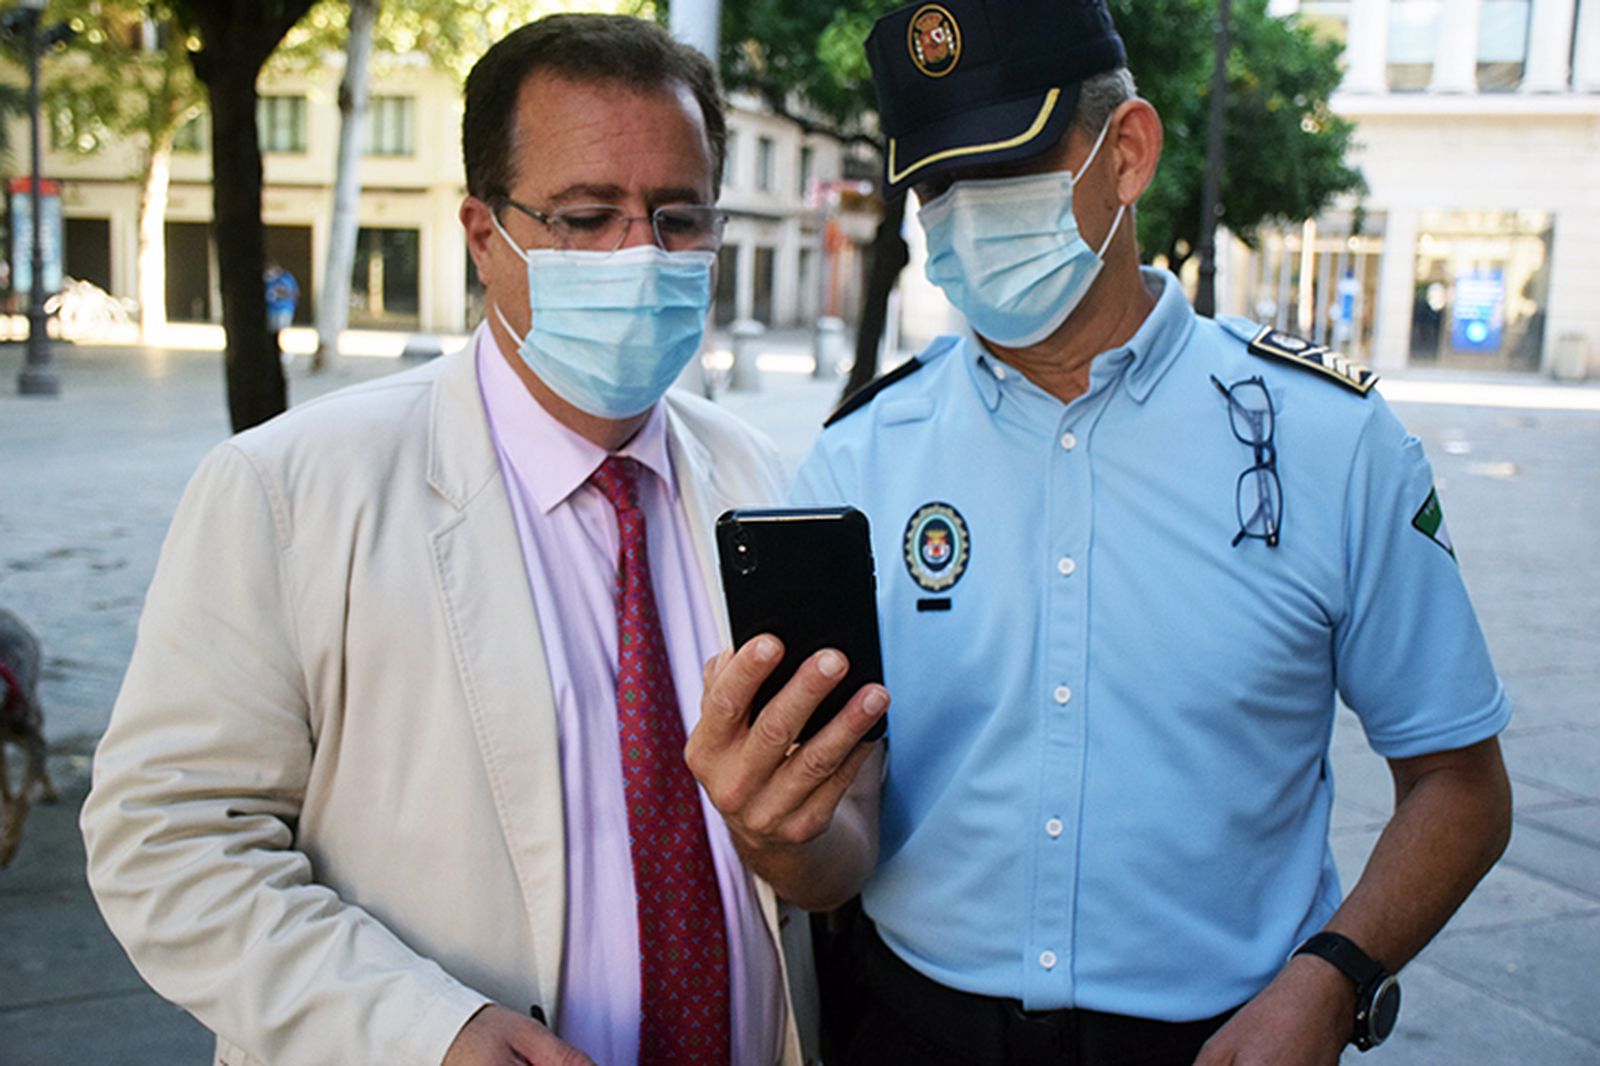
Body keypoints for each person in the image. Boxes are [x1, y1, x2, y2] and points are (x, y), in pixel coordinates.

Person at [713, 1, 1514, 1063]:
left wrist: (1335, 978)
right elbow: (844, 848)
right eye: (935, 185)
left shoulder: (1331, 442)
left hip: (1225, 1037)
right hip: (910, 1026)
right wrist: (783, 840)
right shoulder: (861, 458)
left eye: (1001, 168)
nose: (960, 216)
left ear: (1127, 152)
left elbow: (1459, 781)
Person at [80, 15, 861, 1066]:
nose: (641, 255)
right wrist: (420, 1031)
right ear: (484, 235)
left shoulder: (772, 486)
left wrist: (796, 839)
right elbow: (166, 840)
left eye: (678, 218)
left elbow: (845, 819)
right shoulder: (289, 491)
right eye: (587, 218)